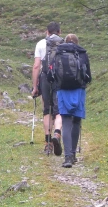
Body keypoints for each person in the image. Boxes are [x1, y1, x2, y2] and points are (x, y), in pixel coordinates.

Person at [54, 33, 91, 168]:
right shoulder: (82, 53)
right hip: (78, 90)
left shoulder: (58, 52)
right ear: (77, 42)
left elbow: (52, 74)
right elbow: (88, 76)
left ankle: (67, 157)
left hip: (62, 90)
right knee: (76, 121)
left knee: (66, 121)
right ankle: (74, 154)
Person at [31, 22, 63, 156]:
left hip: (45, 78)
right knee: (58, 110)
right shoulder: (63, 43)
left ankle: (48, 142)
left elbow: (36, 66)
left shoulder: (40, 44)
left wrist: (34, 87)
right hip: (59, 79)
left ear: (47, 32)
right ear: (59, 32)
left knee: (46, 110)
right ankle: (57, 133)